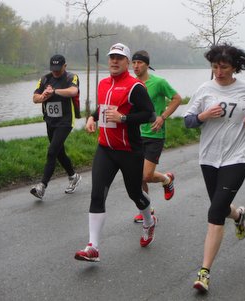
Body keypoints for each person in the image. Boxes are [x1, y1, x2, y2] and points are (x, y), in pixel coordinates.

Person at [184, 44, 245, 292]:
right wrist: (203, 115)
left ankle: (204, 272)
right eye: (214, 67)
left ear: (235, 68)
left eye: (224, 67)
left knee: (215, 212)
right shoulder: (204, 90)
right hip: (209, 158)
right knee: (220, 207)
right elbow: (188, 121)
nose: (218, 72)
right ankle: (239, 215)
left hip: (237, 157)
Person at [74, 43, 156, 262]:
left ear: (128, 62)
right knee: (97, 194)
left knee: (135, 194)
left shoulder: (135, 87)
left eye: (120, 58)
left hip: (129, 150)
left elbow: (149, 114)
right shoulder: (103, 84)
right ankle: (93, 247)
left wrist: (124, 118)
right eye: (112, 57)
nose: (114, 61)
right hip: (105, 149)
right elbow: (101, 106)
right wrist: (91, 117)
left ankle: (149, 221)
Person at [131, 50, 181, 223]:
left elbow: (177, 99)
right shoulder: (132, 84)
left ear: (147, 64)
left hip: (154, 134)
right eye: (134, 62)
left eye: (139, 62)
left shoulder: (159, 82)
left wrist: (162, 117)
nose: (136, 66)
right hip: (135, 135)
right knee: (136, 177)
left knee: (145, 176)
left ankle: (166, 179)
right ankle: (146, 210)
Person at [30, 54, 82, 199]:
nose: (56, 72)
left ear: (65, 66)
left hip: (65, 121)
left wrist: (55, 91)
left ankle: (42, 186)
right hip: (50, 121)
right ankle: (73, 176)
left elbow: (73, 91)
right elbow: (35, 98)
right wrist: (44, 96)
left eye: (58, 69)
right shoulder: (45, 79)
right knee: (59, 152)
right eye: (53, 69)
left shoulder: (71, 77)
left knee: (52, 151)